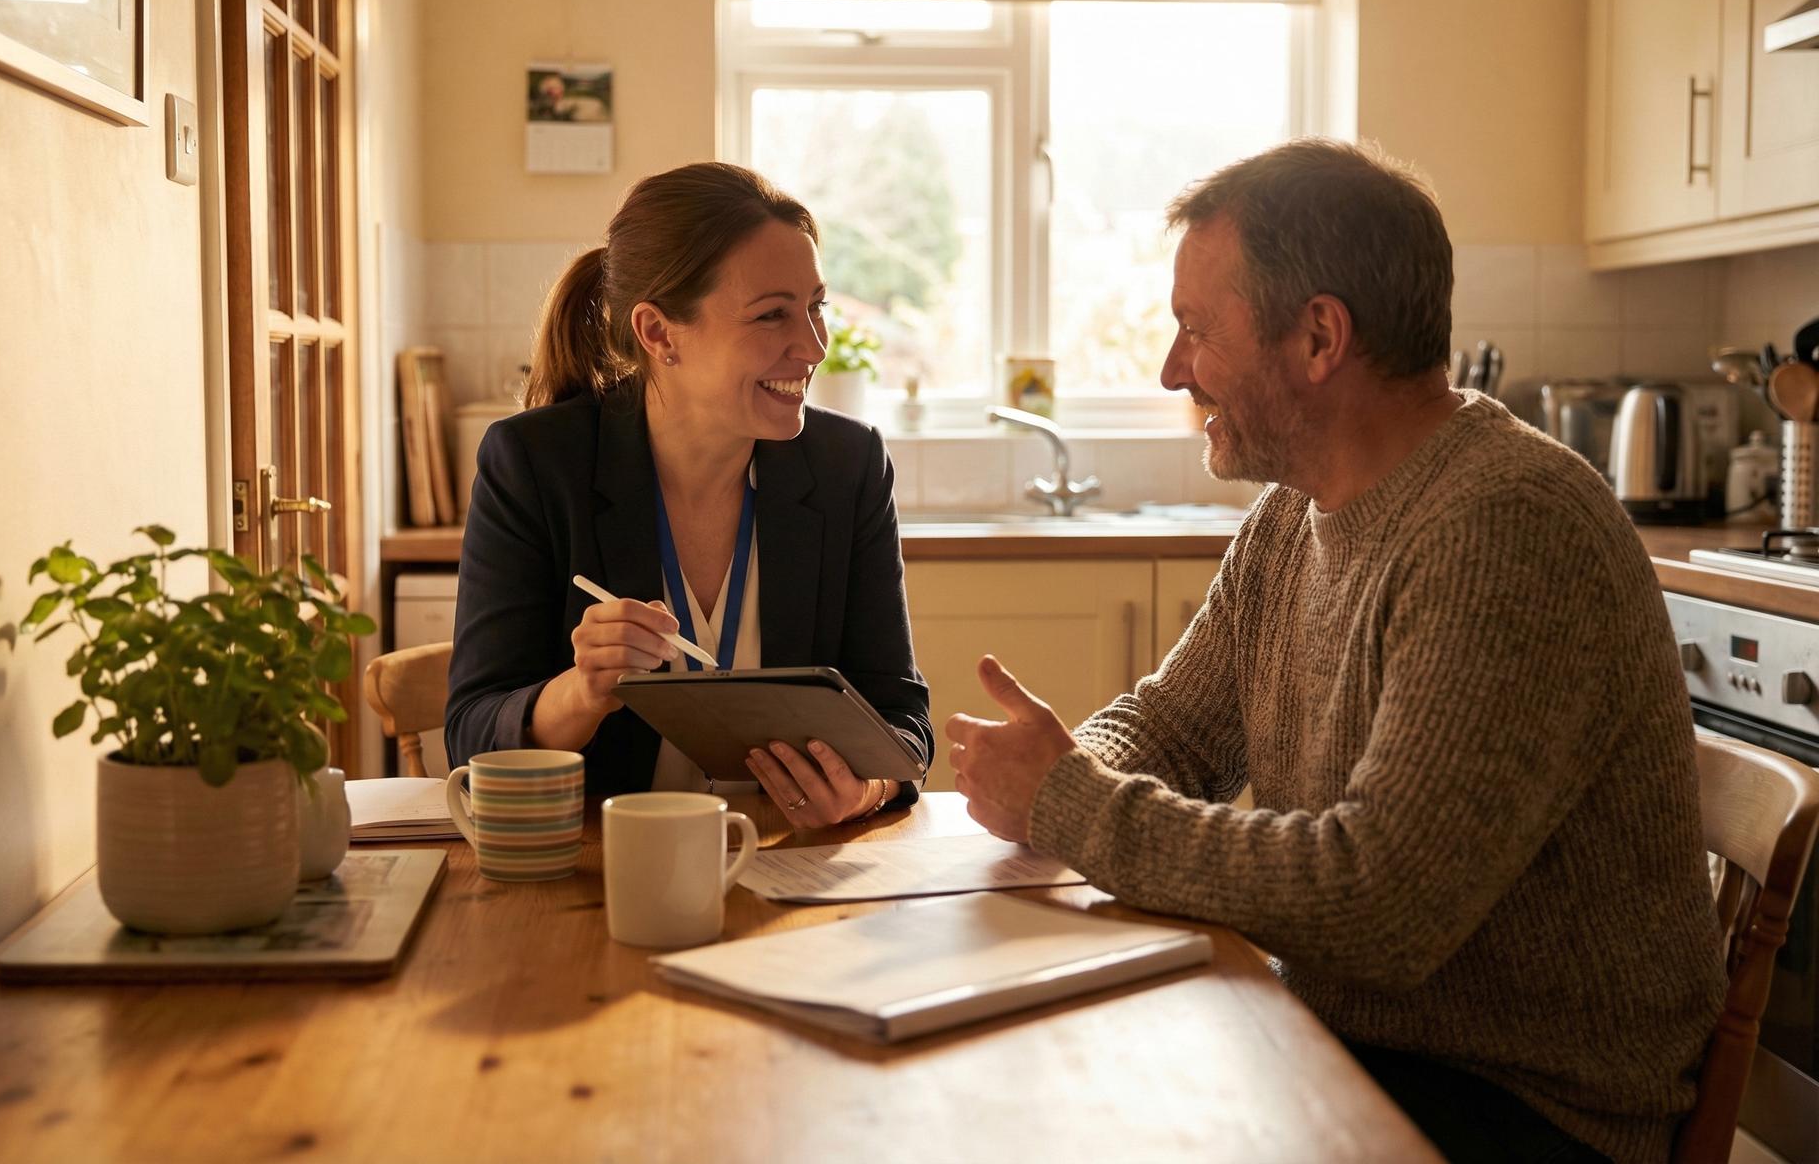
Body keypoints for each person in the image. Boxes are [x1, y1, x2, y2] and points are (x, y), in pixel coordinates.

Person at [948, 139, 1726, 1163]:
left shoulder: (1505, 526)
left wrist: (1073, 803)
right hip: (1357, 1040)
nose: (1173, 369)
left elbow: (1381, 902)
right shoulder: (1294, 513)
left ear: (1318, 336)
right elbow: (1172, 723)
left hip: (1522, 1107)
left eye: (1195, 331)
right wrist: (1063, 768)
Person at [446, 162, 931, 828]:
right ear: (658, 333)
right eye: (771, 316)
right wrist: (582, 693)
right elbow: (471, 736)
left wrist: (868, 789)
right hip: (604, 872)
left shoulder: (849, 467)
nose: (814, 346)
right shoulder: (534, 465)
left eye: (815, 307)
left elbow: (902, 721)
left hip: (787, 868)